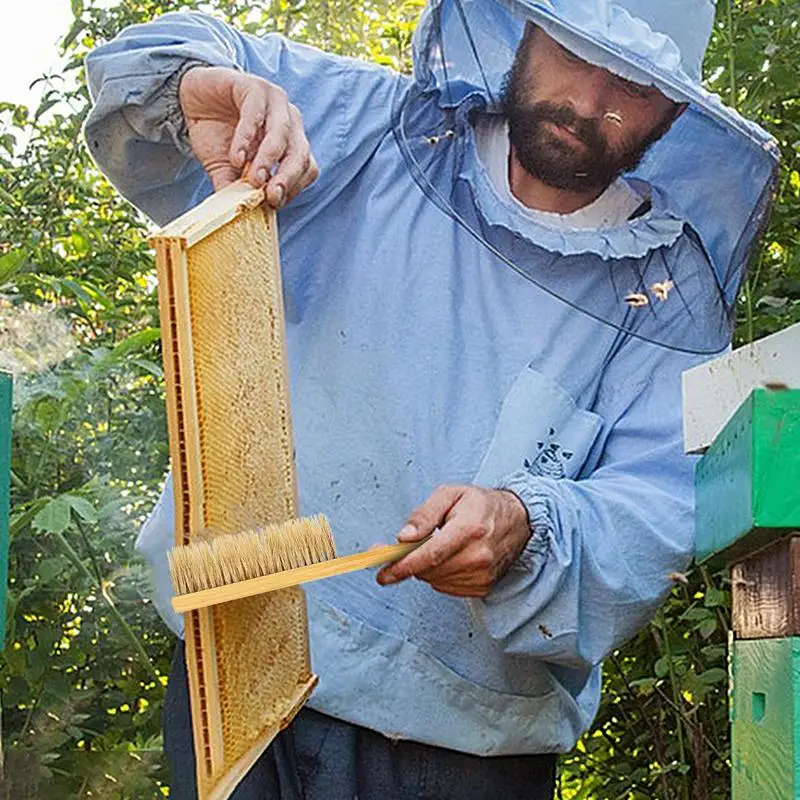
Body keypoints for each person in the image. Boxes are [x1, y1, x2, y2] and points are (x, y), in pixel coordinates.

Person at [84, 1, 777, 798]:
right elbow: (159, 57)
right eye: (576, 54)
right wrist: (200, 87)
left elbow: (655, 509)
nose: (588, 103)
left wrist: (527, 525)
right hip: (235, 674)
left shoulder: (666, 300)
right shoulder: (366, 126)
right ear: (528, 31)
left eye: (634, 85)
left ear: (678, 107)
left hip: (468, 751)